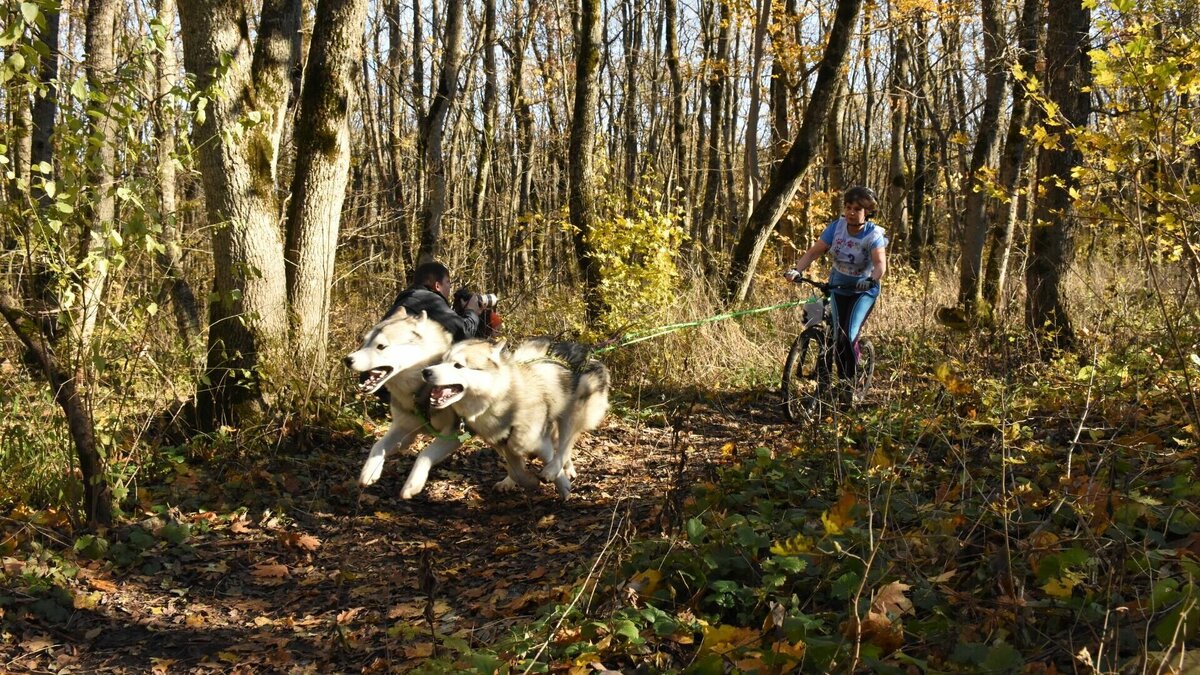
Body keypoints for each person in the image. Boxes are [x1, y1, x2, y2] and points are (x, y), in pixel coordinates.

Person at [785, 186, 888, 399]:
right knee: (830, 329)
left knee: (847, 335)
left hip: (863, 291)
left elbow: (880, 265)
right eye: (848, 207)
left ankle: (848, 384)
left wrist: (871, 280)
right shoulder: (837, 228)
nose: (851, 212)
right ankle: (824, 376)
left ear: (867, 211)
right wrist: (797, 269)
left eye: (857, 209)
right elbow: (814, 251)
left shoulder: (873, 234)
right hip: (837, 286)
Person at [382, 261, 481, 341]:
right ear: (437, 286)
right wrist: (472, 311)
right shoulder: (430, 300)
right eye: (448, 282)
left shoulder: (406, 299)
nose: (450, 287)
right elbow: (464, 333)